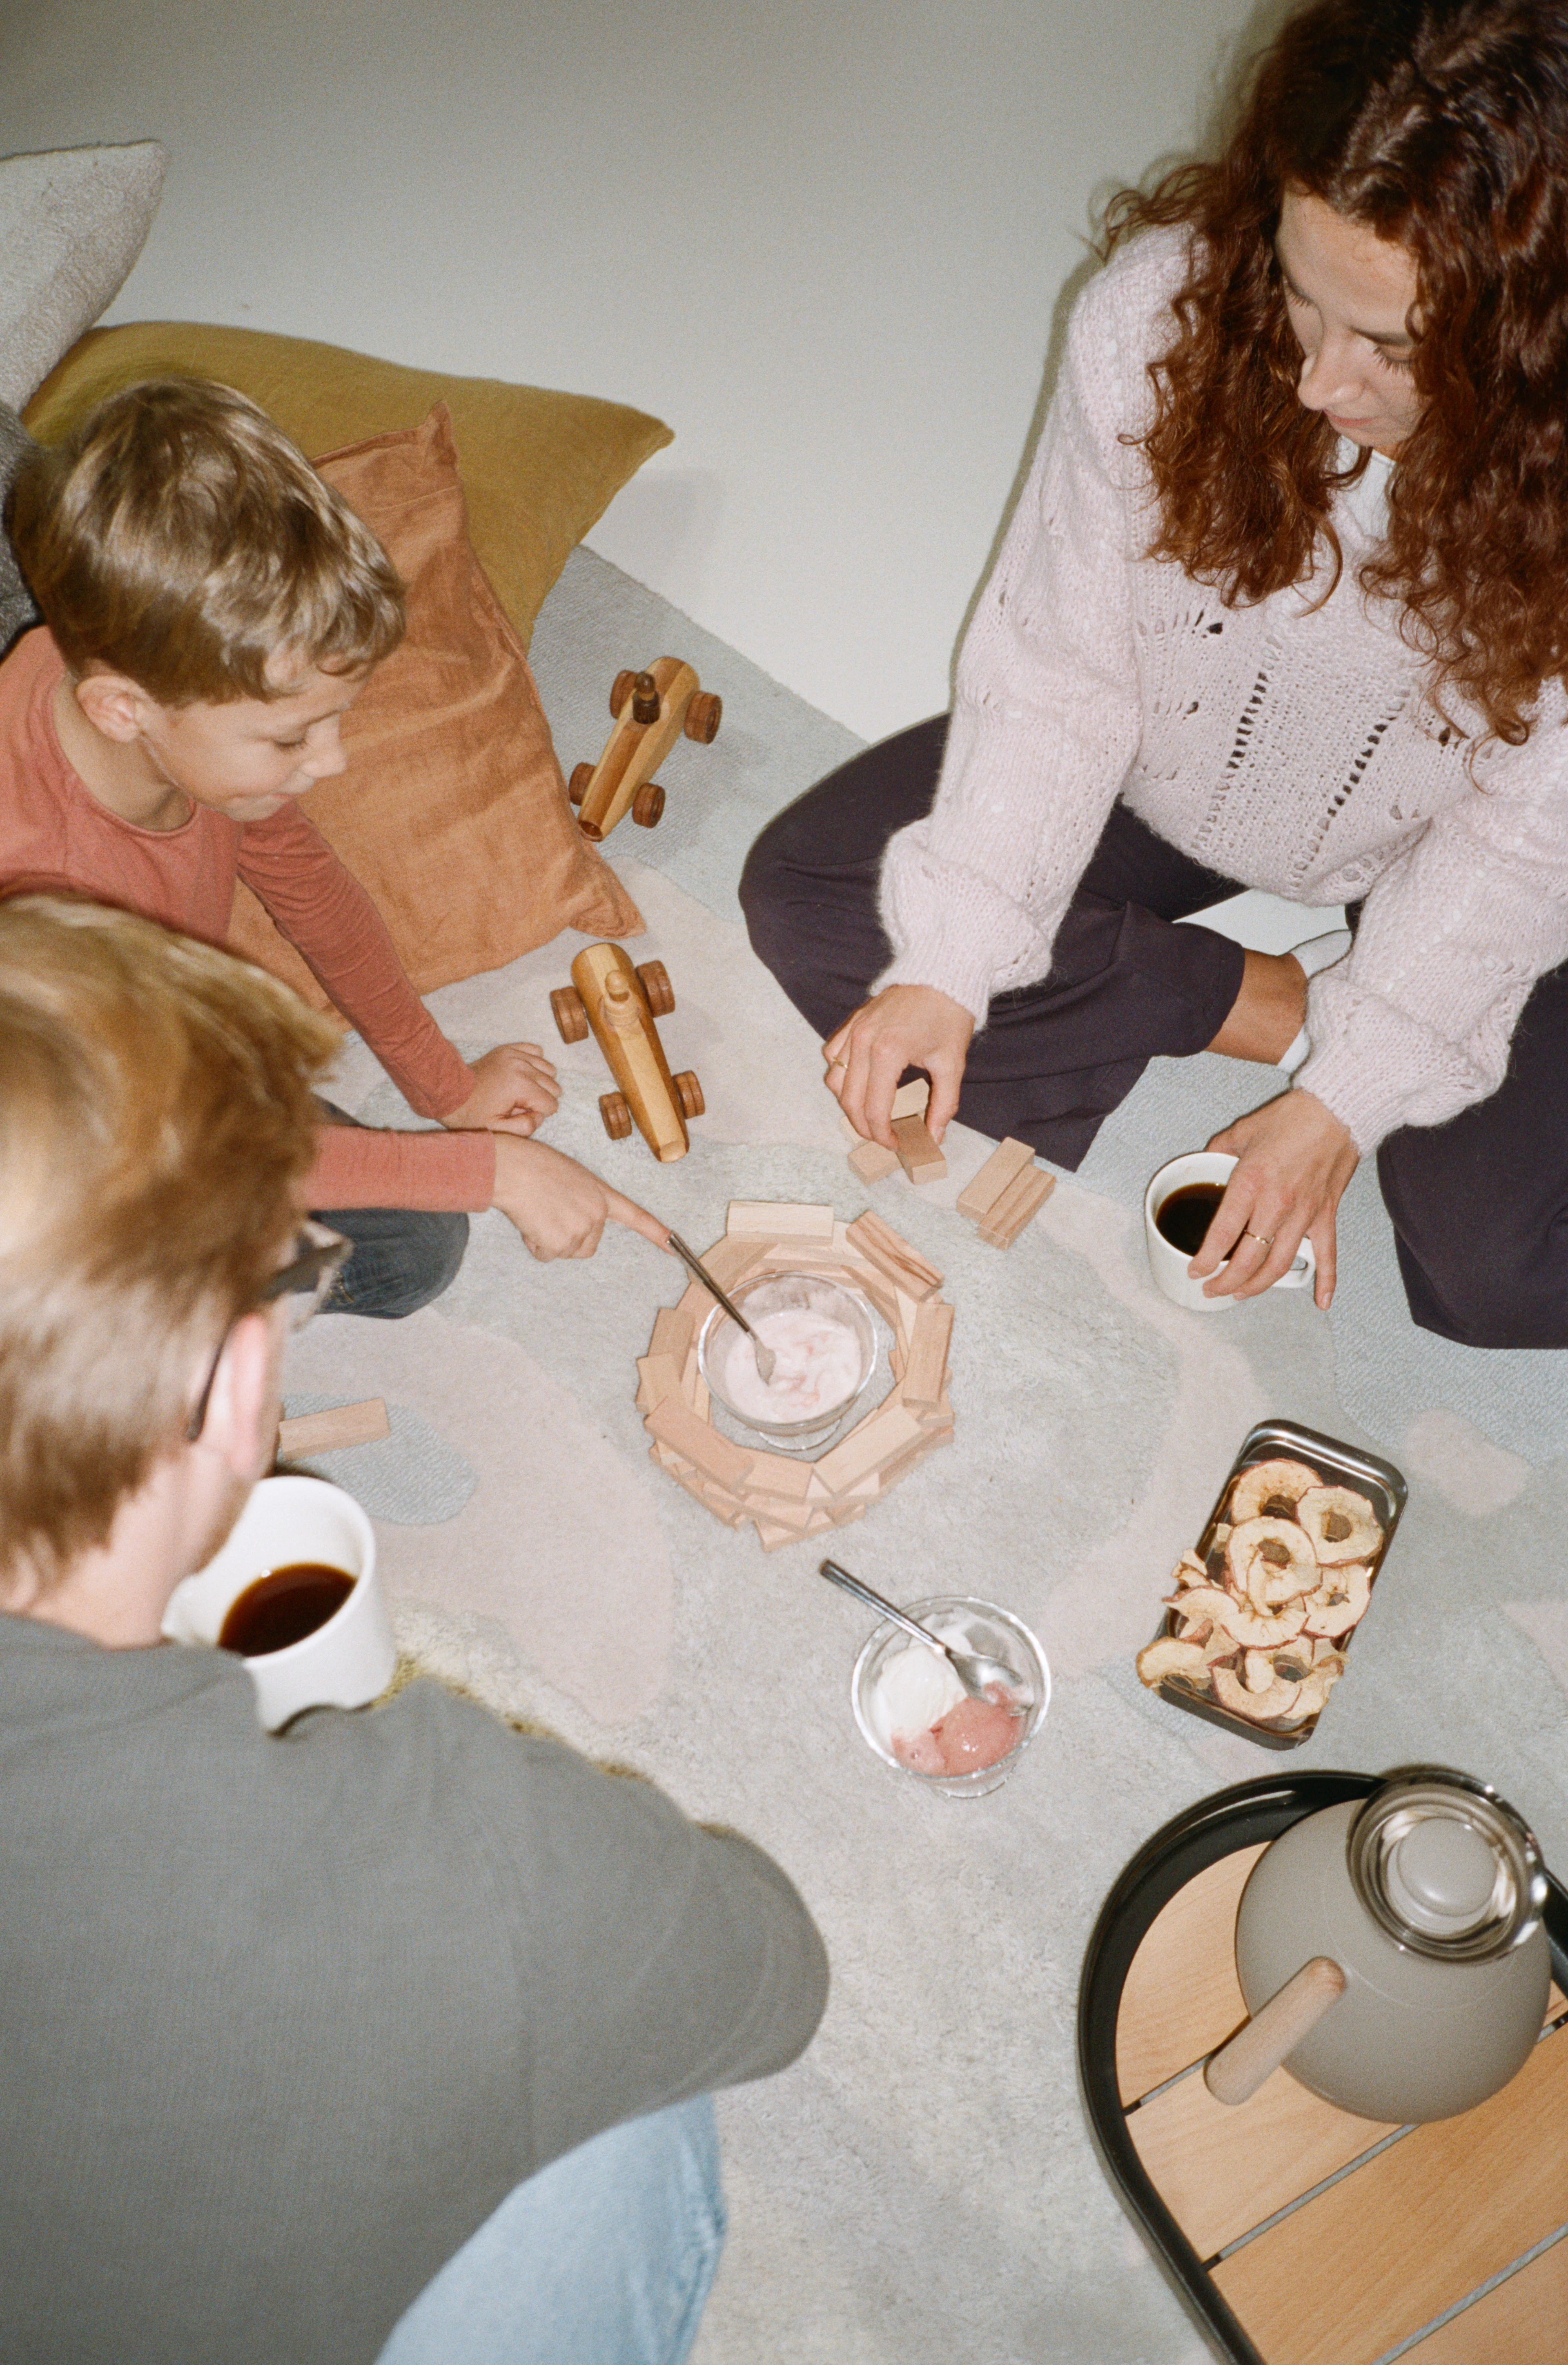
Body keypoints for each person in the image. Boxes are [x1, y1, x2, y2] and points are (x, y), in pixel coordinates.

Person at [0, 891, 829, 2365]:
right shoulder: (444, 1839)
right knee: (623, 2111)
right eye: (291, 1285)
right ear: (240, 1387)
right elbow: (769, 1977)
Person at [742, 0, 1568, 1349]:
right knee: (820, 899)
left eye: (1392, 347)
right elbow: (1062, 668)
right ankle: (1269, 1000)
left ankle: (1351, 1019)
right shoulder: (1154, 318)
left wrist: (1353, 1089)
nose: (1317, 382)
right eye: (1301, 298)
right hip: (1178, 773)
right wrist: (954, 961)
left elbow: (1520, 848)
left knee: (1486, 1268)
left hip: (1462, 848)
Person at [2, 377, 668, 1318]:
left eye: (331, 723)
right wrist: (490, 1169)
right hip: (64, 1112)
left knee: (410, 1239)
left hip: (137, 1044)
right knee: (389, 1245)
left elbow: (309, 885)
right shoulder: (48, 900)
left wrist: (445, 1087)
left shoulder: (157, 712)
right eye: (290, 738)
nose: (332, 762)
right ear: (124, 709)